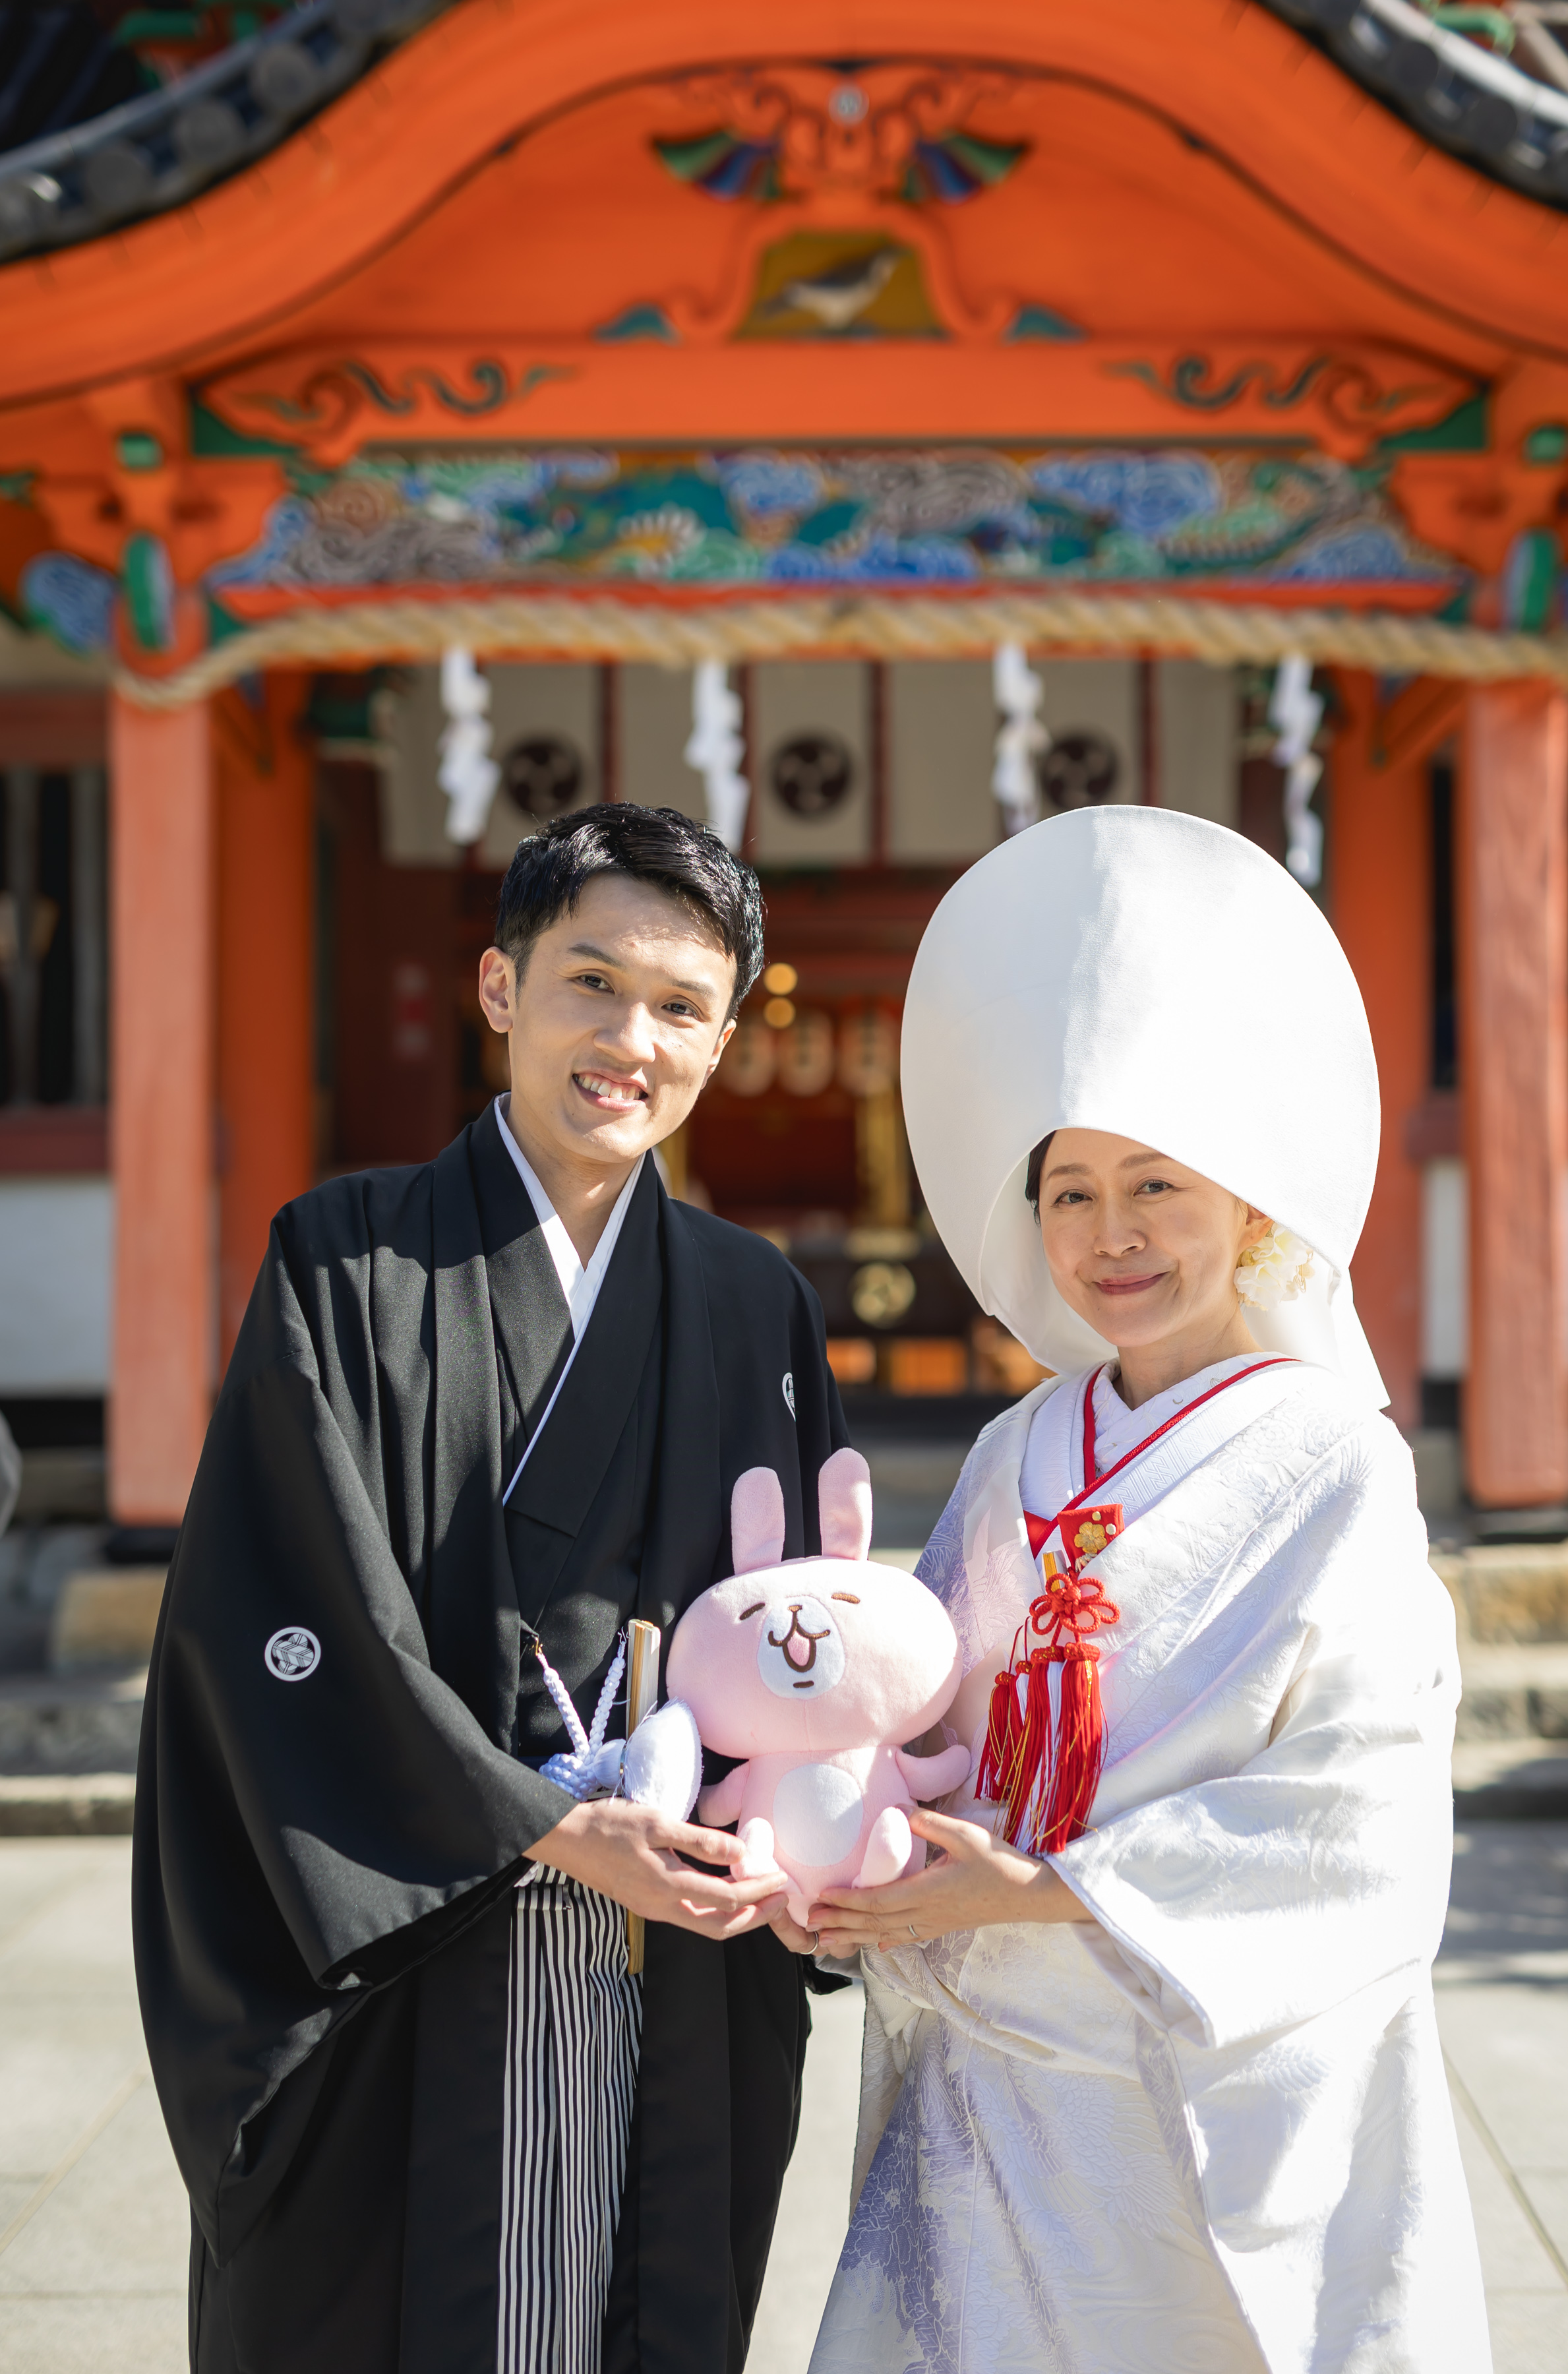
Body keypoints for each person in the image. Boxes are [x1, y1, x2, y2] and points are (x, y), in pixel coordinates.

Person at [133, 804, 845, 2374]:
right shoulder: (343, 1263)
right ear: (500, 986)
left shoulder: (756, 1303)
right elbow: (284, 1616)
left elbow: (809, 1635)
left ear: (723, 1043)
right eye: (593, 983)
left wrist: (805, 1819)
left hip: (673, 1948)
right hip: (408, 1953)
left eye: (681, 1008)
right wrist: (544, 1825)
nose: (632, 1041)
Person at [806, 806, 1489, 2374]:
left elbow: (1362, 1802)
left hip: (1189, 2073)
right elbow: (933, 1713)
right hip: (992, 2074)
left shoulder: (1334, 1459)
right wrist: (845, 1820)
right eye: (1069, 1192)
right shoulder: (1018, 1450)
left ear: (1249, 1206)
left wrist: (1049, 1888)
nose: (1111, 1236)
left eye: (1158, 1186)